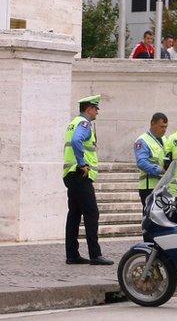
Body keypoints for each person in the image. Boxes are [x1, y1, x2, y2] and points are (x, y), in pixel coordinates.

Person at [61, 95, 113, 266]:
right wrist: (82, 163)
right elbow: (77, 141)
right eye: (96, 108)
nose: (97, 111)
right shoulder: (84, 124)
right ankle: (95, 255)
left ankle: (72, 254)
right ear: (89, 109)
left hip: (70, 174)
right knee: (92, 213)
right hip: (80, 174)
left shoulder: (73, 123)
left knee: (74, 214)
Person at [134, 112, 168, 207]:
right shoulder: (142, 141)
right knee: (150, 217)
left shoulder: (165, 139)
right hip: (149, 187)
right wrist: (159, 170)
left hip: (162, 186)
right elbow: (141, 162)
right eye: (162, 127)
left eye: (166, 127)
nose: (164, 130)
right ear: (152, 124)